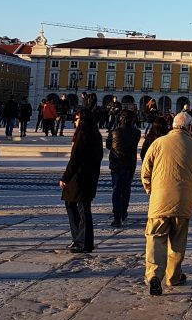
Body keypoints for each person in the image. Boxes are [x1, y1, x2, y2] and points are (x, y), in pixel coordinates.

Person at [141, 112, 192, 296]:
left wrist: (151, 191)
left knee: (155, 238)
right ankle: (173, 276)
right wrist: (190, 194)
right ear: (189, 127)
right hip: (183, 203)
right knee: (178, 242)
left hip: (159, 201)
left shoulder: (158, 143)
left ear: (173, 125)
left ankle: (155, 275)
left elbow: (145, 171)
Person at [58, 108, 103, 253]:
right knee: (73, 206)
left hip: (79, 178)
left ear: (83, 121)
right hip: (88, 176)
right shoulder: (95, 135)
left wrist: (65, 178)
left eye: (77, 119)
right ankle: (79, 239)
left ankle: (83, 242)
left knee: (81, 209)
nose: (75, 122)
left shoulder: (83, 135)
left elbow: (75, 159)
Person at [107, 110, 141, 227]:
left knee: (116, 189)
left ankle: (117, 217)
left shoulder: (114, 132)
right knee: (126, 188)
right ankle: (123, 212)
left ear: (121, 119)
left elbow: (107, 145)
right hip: (130, 164)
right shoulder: (137, 132)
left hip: (117, 164)